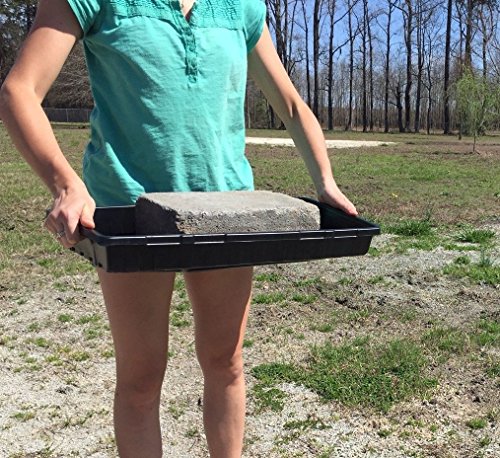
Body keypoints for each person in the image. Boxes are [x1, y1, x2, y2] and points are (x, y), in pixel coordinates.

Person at [0, 0, 357, 456]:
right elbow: (20, 91)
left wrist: (325, 181)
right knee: (141, 378)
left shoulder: (241, 6)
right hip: (132, 213)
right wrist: (66, 185)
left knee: (226, 362)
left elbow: (288, 102)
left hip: (227, 211)